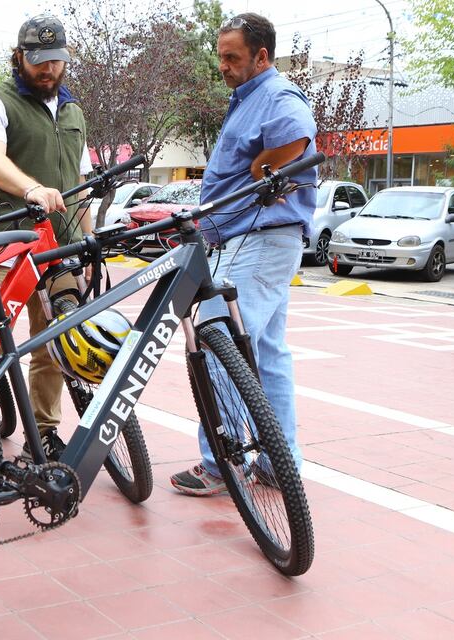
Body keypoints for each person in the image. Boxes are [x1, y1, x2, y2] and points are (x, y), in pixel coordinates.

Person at [170, 13, 317, 496]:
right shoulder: (249, 100)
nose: (223, 66)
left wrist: (262, 172)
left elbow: (296, 141)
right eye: (221, 56)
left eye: (232, 57)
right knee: (268, 354)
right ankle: (279, 462)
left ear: (262, 56)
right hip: (258, 241)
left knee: (219, 344)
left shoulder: (277, 96)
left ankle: (220, 461)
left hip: (258, 239)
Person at [0, 14, 94, 476]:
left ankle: (45, 430)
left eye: (56, 60)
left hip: (60, 246)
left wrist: (88, 240)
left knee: (55, 343)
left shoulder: (73, 110)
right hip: (4, 242)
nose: (48, 69)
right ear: (19, 58)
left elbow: (79, 180)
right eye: (38, 61)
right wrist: (30, 188)